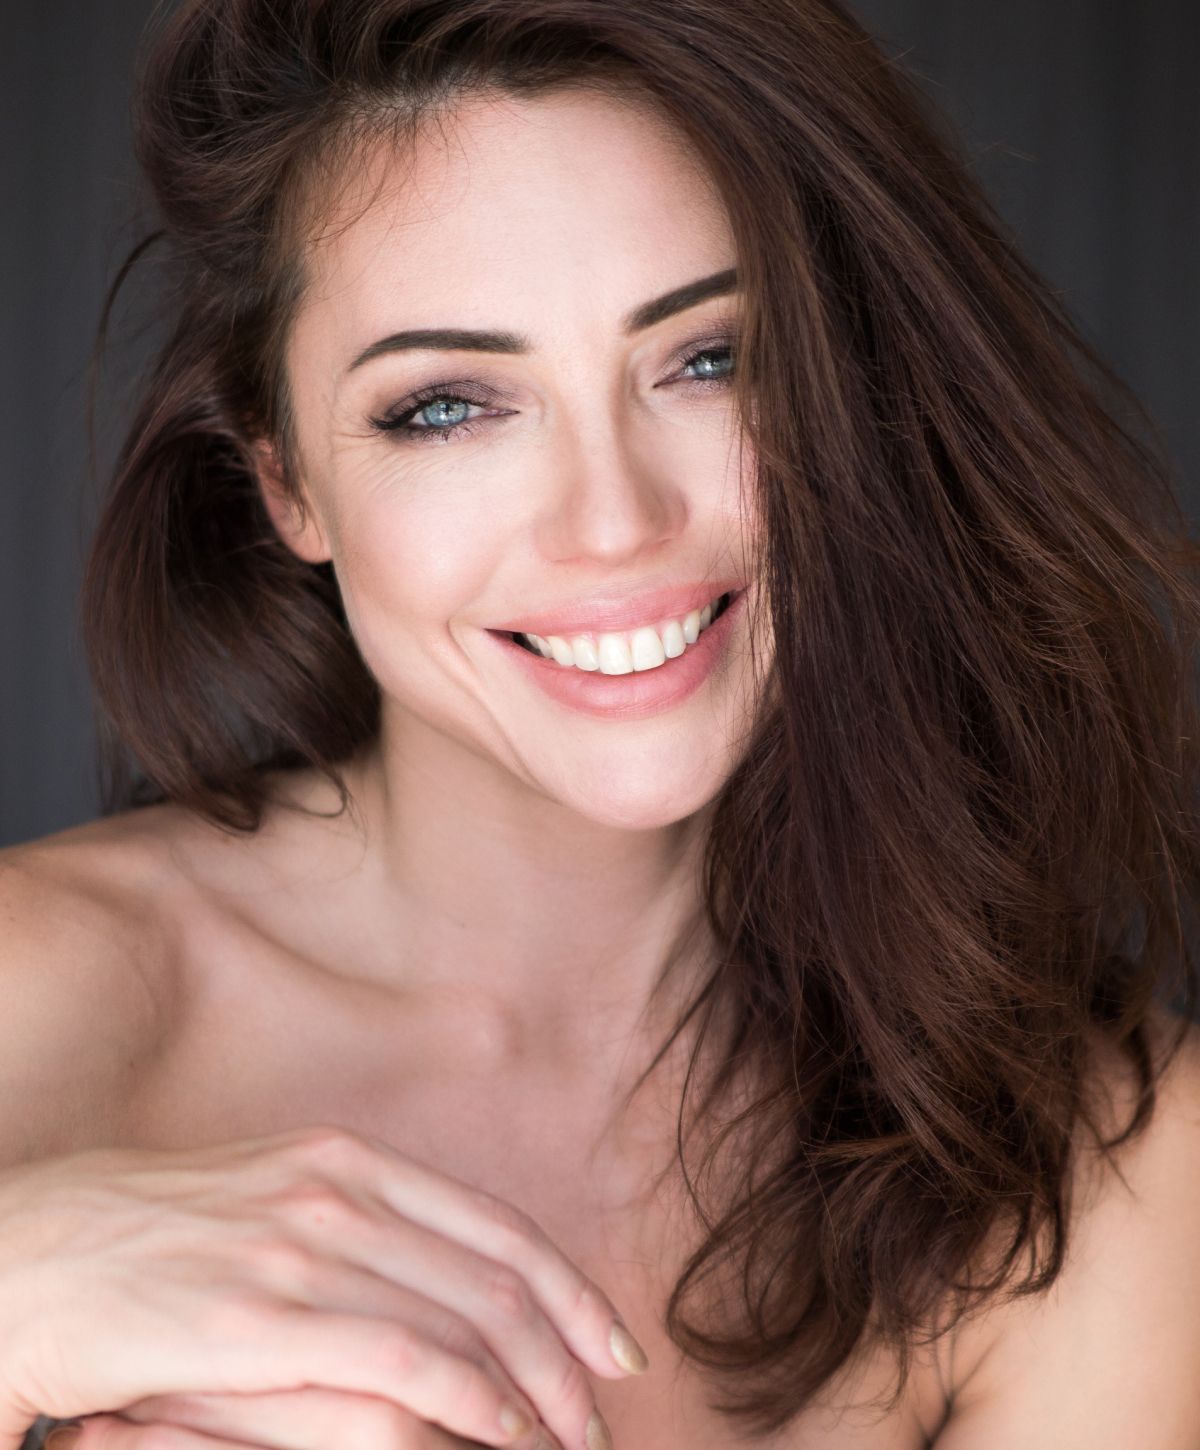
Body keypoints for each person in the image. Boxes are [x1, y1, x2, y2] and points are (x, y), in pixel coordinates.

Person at [4, 0, 1200, 1446]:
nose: (615, 522)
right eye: (449, 406)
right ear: (288, 484)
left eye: (707, 359)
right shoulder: (38, 998)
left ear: (854, 396)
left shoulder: (1104, 1161)